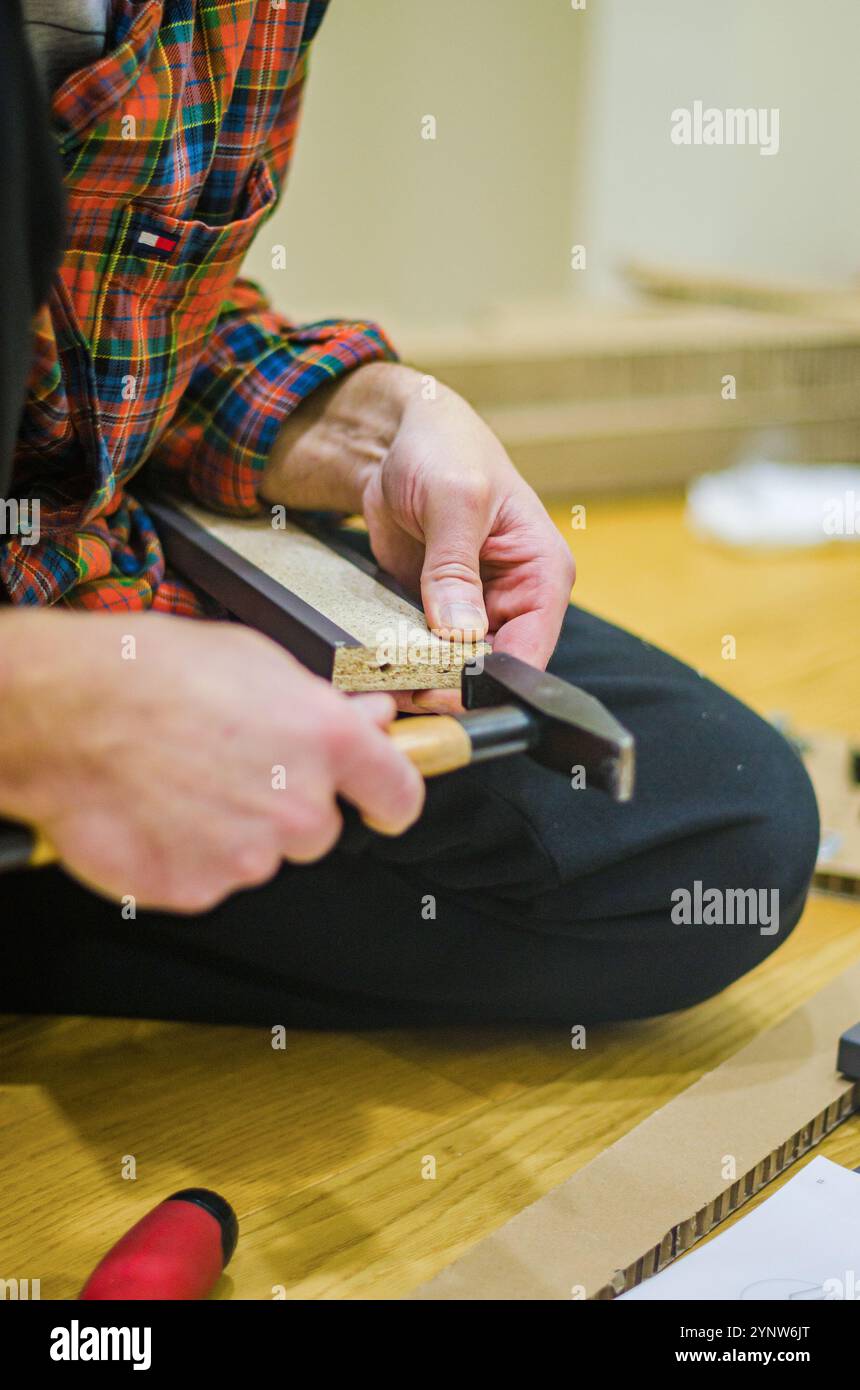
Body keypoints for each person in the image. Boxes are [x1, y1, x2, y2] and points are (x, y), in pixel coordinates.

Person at [0, 1, 819, 1028]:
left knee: (721, 821)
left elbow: (114, 342)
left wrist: (374, 424)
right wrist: (48, 708)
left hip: (84, 564)